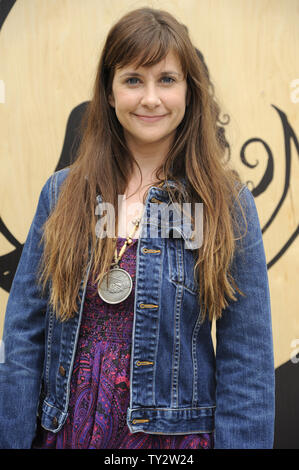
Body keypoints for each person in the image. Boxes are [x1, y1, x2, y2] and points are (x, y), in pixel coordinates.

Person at [0, 7, 275, 449]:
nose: (151, 98)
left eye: (167, 79)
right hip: (65, 435)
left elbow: (248, 363)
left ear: (189, 91)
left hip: (174, 444)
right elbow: (22, 341)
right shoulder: (62, 193)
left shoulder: (226, 205)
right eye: (133, 80)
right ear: (109, 92)